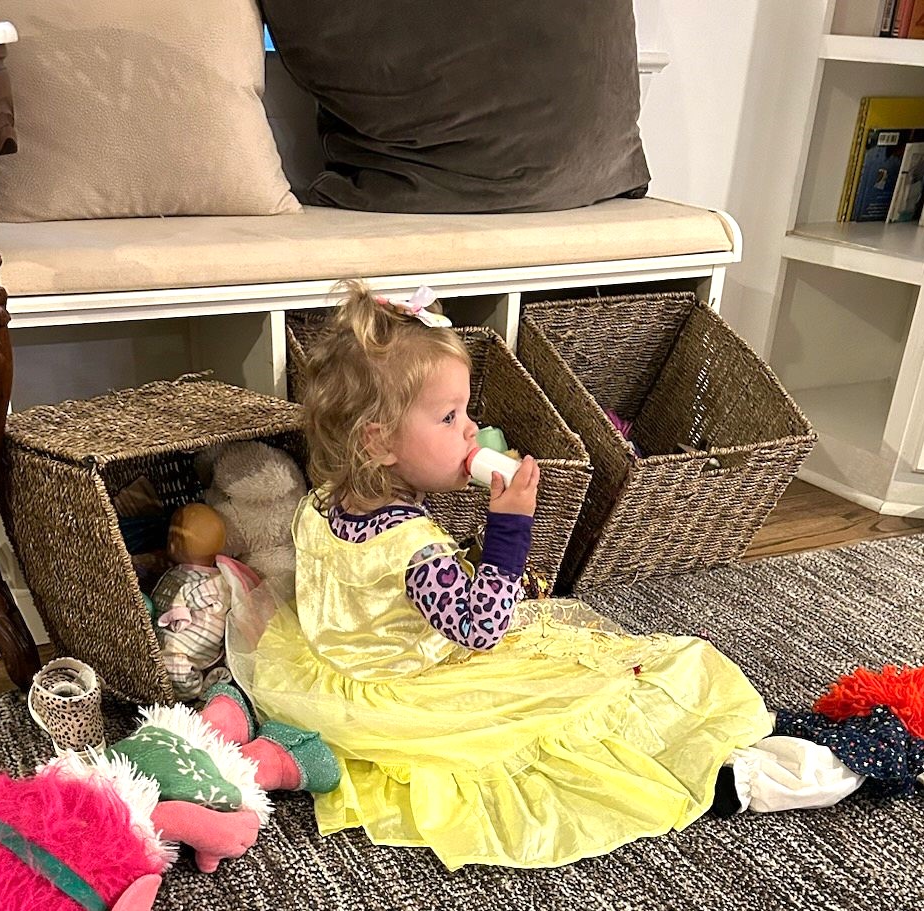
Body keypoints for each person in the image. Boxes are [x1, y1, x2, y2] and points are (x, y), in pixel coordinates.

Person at [225, 280, 774, 871]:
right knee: (575, 696)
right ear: (379, 442)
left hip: (328, 668)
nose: (471, 430)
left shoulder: (323, 502)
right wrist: (510, 529)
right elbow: (482, 627)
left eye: (466, 411)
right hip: (406, 686)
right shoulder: (415, 549)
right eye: (448, 417)